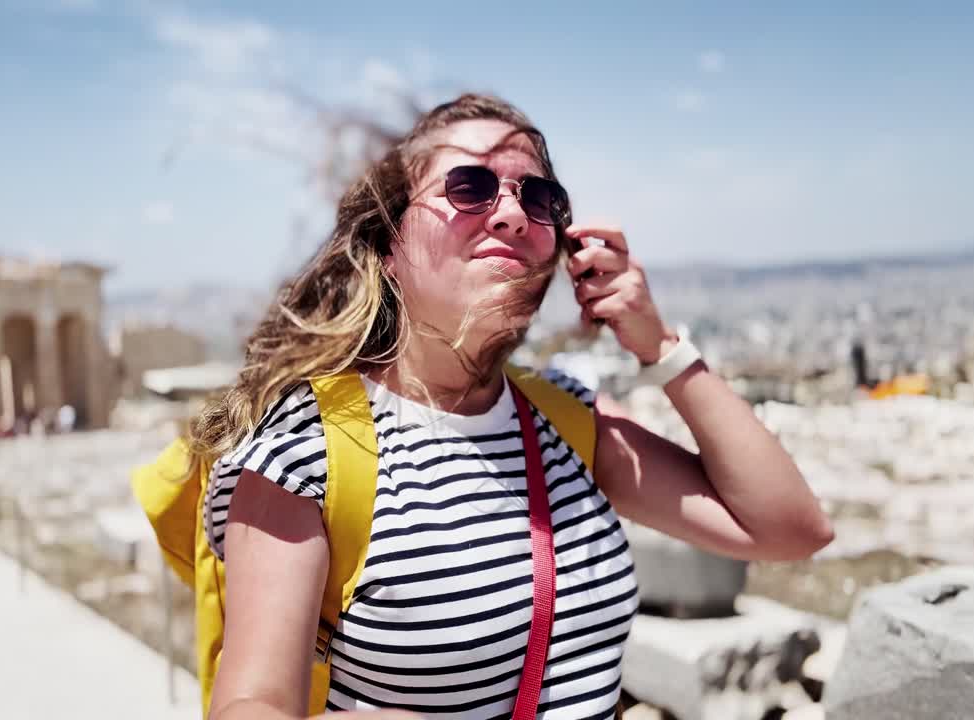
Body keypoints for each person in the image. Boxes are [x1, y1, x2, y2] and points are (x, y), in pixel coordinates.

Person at [191, 94, 835, 720]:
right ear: (389, 244)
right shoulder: (308, 450)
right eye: (468, 187)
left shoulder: (564, 419)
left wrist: (659, 346)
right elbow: (251, 705)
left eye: (539, 198)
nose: (511, 214)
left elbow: (788, 529)